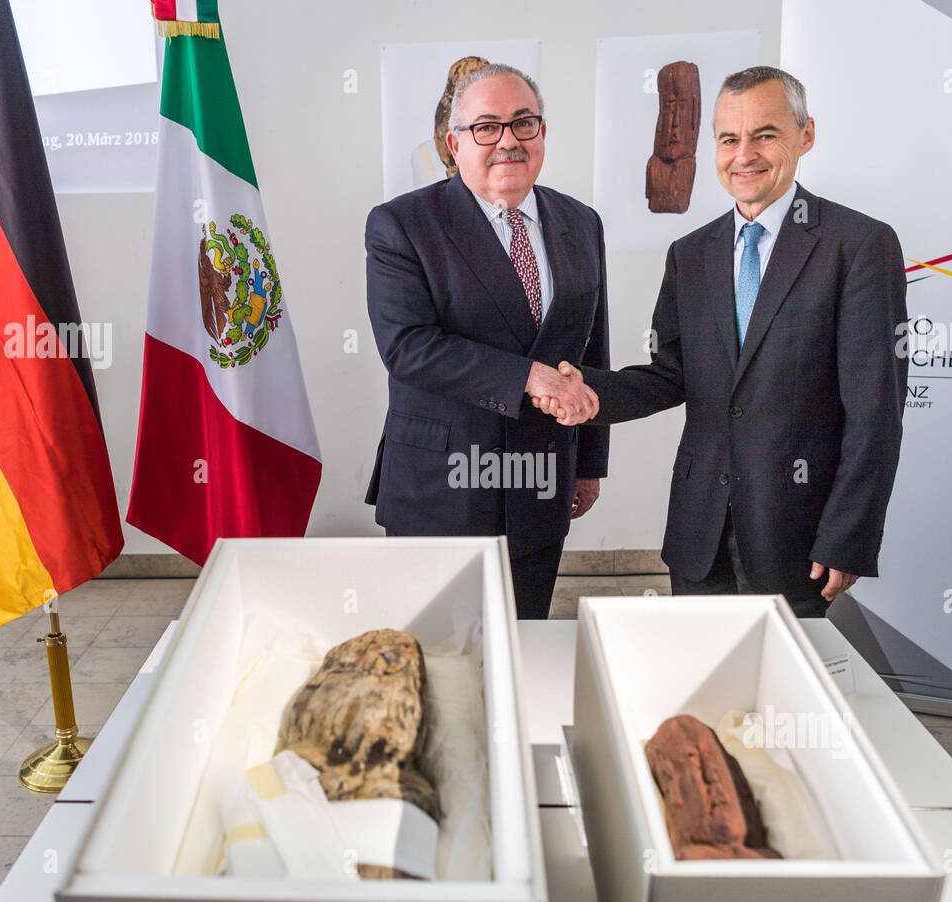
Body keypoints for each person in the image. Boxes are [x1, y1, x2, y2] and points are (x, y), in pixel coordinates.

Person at [534, 66, 908, 618]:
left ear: (806, 136)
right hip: (698, 534)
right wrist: (587, 392)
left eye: (766, 134)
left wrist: (848, 536)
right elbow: (669, 374)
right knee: (702, 693)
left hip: (798, 541)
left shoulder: (859, 246)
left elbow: (876, 411)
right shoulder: (690, 253)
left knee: (778, 698)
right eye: (729, 139)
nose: (744, 155)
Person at [364, 63, 608, 619]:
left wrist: (589, 461)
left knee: (522, 646)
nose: (507, 141)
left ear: (542, 133)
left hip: (541, 485)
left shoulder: (582, 222)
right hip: (440, 491)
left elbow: (591, 351)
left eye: (524, 123)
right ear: (454, 143)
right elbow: (407, 346)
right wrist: (528, 376)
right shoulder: (402, 224)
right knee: (435, 661)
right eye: (486, 127)